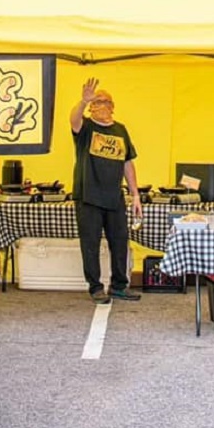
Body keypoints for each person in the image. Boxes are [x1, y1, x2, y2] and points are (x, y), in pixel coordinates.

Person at [70, 78, 143, 304]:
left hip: (114, 197)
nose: (102, 105)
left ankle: (119, 285)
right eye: (98, 101)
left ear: (113, 106)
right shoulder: (85, 127)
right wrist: (83, 101)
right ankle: (95, 287)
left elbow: (127, 163)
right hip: (88, 196)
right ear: (92, 106)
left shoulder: (120, 130)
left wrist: (135, 194)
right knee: (90, 243)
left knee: (120, 241)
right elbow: (73, 120)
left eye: (106, 101)